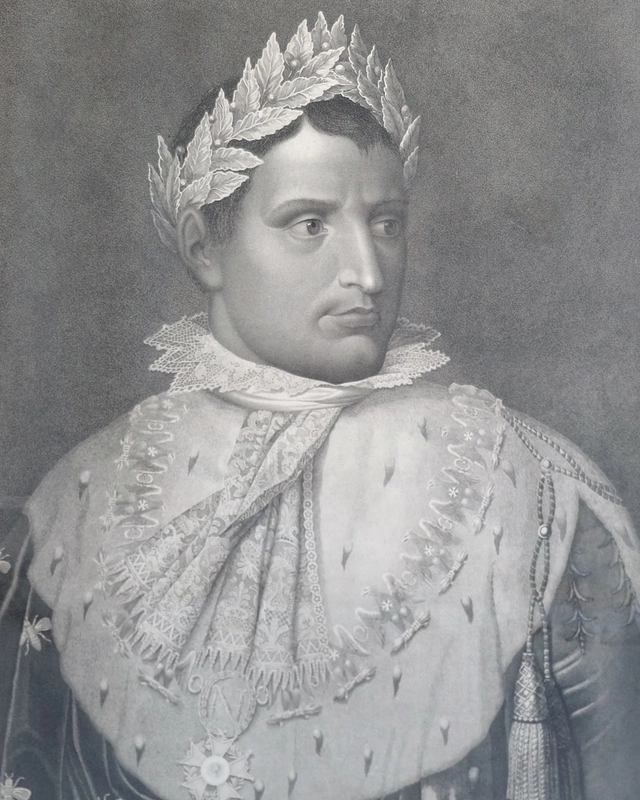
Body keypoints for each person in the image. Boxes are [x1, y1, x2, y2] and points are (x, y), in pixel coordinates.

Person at [1, 13, 639, 800]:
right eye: (310, 225)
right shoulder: (75, 504)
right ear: (203, 247)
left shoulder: (531, 488)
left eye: (387, 224)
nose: (368, 273)